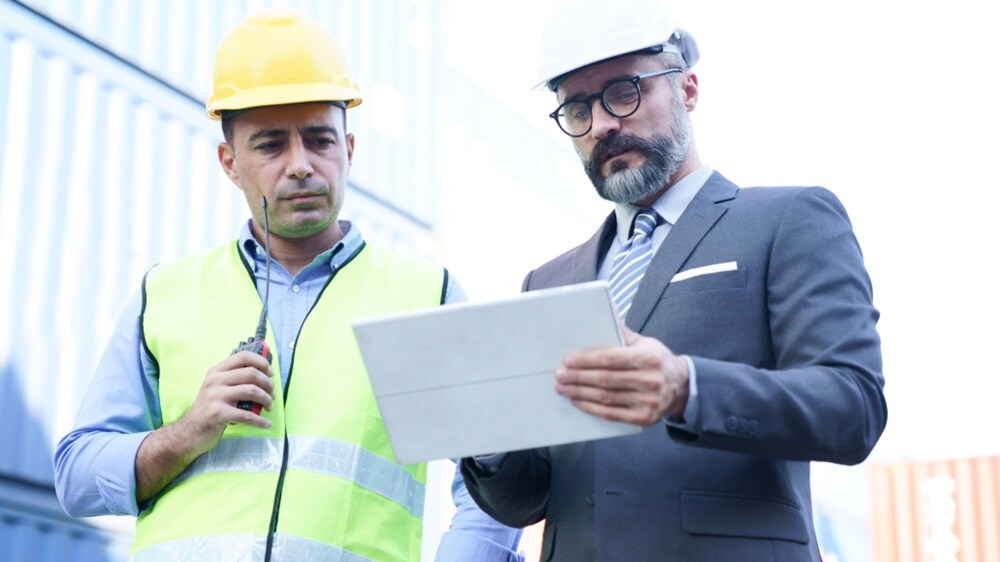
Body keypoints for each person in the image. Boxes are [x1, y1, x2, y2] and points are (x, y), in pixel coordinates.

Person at [53, 8, 520, 561]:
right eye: (271, 144)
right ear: (229, 161)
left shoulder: (425, 294)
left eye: (319, 140)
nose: (300, 165)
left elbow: (498, 477)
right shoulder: (166, 294)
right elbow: (77, 478)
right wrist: (187, 431)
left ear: (349, 151)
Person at [457, 1, 888, 560]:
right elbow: (529, 498)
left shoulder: (788, 220)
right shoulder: (547, 283)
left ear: (686, 89)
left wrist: (688, 388)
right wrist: (485, 438)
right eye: (578, 109)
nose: (604, 125)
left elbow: (852, 406)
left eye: (623, 91)